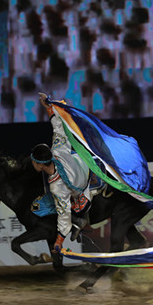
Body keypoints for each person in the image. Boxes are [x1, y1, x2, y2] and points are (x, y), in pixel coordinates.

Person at [31, 93, 92, 255]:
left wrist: (59, 241)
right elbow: (59, 129)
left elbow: (63, 215)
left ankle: (80, 217)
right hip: (85, 164)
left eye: (33, 162)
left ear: (39, 164)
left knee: (42, 207)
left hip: (80, 189)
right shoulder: (57, 151)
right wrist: (49, 108)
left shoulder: (56, 187)